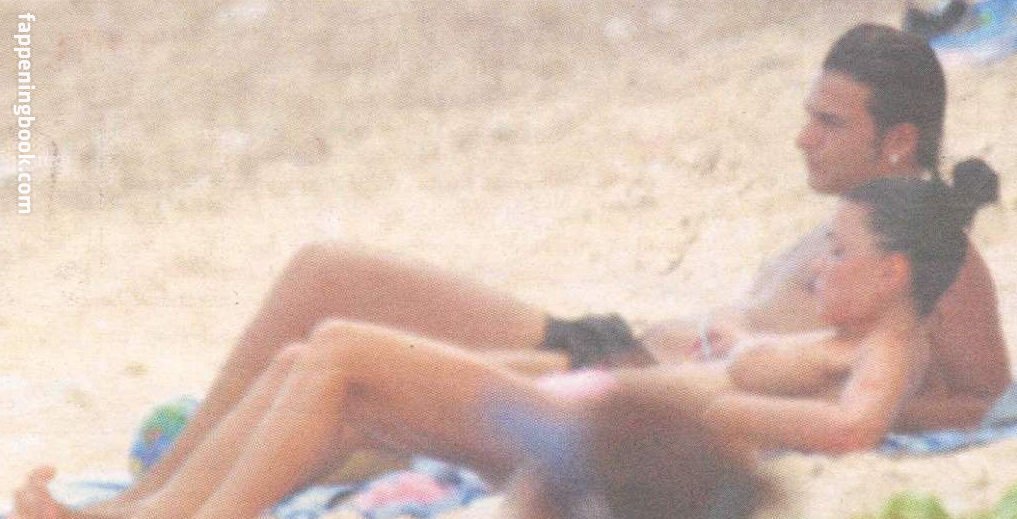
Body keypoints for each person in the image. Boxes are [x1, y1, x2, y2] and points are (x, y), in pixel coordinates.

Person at [13, 22, 1011, 517]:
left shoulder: (926, 257)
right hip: (620, 362)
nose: (801, 138)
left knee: (337, 347)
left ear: (898, 141)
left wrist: (763, 392)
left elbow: (976, 394)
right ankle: (136, 511)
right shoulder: (856, 230)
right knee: (323, 331)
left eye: (827, 122)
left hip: (627, 392)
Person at [12, 175, 992, 519]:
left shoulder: (879, 351)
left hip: (602, 425)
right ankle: (145, 512)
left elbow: (856, 427)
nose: (821, 264)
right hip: (589, 400)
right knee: (308, 370)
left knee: (340, 347)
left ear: (893, 272)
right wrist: (724, 354)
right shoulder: (840, 336)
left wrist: (724, 404)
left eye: (838, 252)